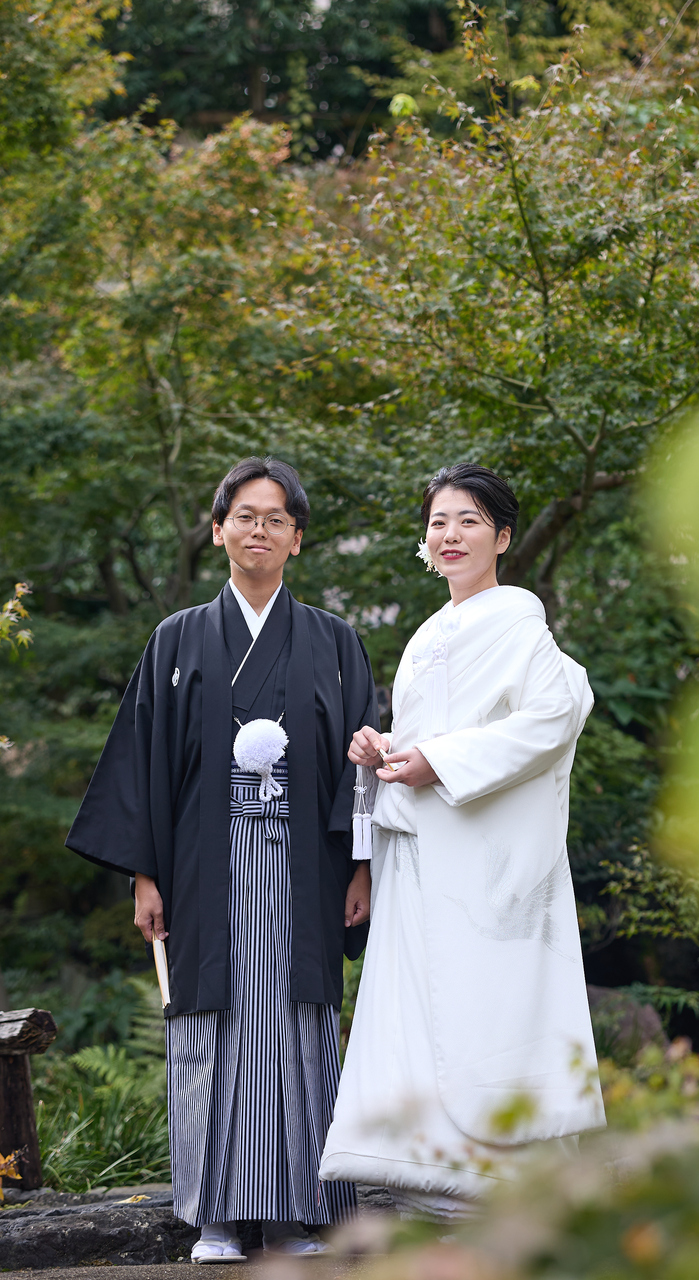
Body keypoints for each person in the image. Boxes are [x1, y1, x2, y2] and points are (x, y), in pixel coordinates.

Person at [66, 457, 377, 1261]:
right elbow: (143, 765)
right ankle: (215, 1216)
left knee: (297, 1024)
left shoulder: (336, 644)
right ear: (217, 530)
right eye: (244, 515)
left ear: (297, 540)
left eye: (276, 519)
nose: (259, 530)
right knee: (212, 1027)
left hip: (306, 866)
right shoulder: (177, 639)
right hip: (205, 866)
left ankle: (295, 1212)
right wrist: (143, 875)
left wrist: (362, 865)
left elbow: (362, 768)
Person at [319, 463, 604, 1221]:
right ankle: (430, 1176)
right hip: (426, 856)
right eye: (439, 522)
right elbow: (428, 740)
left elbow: (557, 713)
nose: (449, 535)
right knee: (424, 1005)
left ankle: (507, 1186)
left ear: (502, 536)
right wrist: (383, 751)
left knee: (492, 1009)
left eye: (469, 521)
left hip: (488, 860)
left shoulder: (518, 623)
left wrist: (439, 760)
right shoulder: (429, 633)